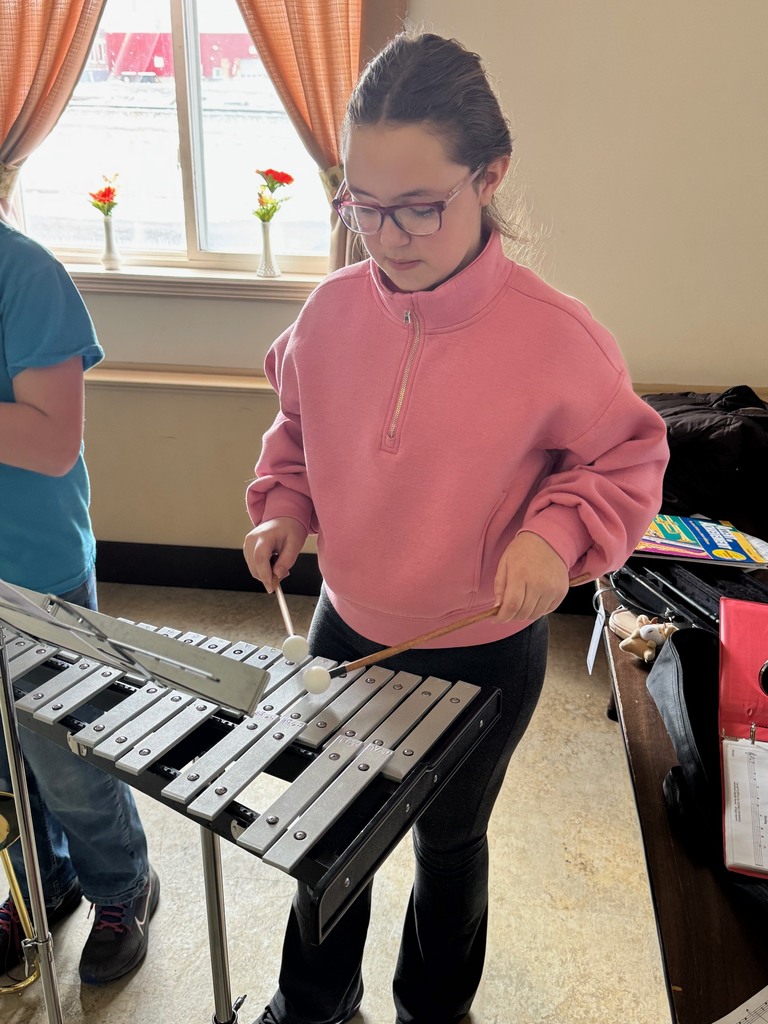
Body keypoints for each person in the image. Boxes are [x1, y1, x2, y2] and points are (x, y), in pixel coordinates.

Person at [242, 31, 669, 1024]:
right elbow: (296, 426)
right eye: (361, 204)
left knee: (449, 842)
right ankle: (312, 1004)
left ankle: (433, 1011)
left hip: (482, 654)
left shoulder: (560, 338)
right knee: (328, 833)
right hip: (346, 633)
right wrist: (284, 507)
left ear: (491, 175)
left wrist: (553, 538)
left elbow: (622, 462)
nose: (387, 237)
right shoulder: (331, 311)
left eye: (419, 206)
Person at [0, 219, 159, 984]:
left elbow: (52, 440)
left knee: (68, 758)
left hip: (34, 573)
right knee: (5, 764)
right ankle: (44, 882)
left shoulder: (26, 275)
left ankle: (123, 887)